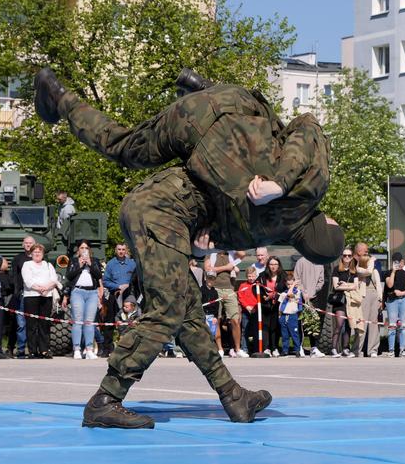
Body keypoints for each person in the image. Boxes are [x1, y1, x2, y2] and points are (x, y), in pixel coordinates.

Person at [35, 67, 344, 429]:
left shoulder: (310, 188)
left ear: (325, 226)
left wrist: (279, 181)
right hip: (164, 199)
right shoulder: (254, 233)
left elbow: (306, 125)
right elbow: (211, 237)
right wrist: (206, 245)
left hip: (220, 107)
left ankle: (232, 395)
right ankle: (107, 398)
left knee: (184, 310)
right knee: (170, 311)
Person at [63, 240, 104, 360]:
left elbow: (99, 276)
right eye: (82, 248)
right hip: (78, 292)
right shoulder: (74, 261)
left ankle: (89, 349)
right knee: (78, 320)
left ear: (89, 250)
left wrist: (90, 264)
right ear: (78, 250)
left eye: (86, 248)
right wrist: (80, 266)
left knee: (89, 322)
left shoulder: (95, 261)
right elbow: (69, 276)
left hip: (92, 293)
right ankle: (76, 349)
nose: (84, 250)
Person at [205, 250, 247, 358]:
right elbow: (208, 268)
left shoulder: (231, 253)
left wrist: (231, 245)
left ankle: (238, 349)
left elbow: (243, 254)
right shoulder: (212, 254)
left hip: (229, 290)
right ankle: (220, 349)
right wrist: (227, 267)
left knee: (235, 319)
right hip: (216, 289)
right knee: (216, 319)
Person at [21, 244, 61, 359]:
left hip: (46, 296)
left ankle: (44, 349)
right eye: (35, 252)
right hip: (31, 296)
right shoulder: (27, 265)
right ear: (31, 253)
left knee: (44, 324)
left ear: (43, 254)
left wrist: (46, 288)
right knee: (32, 324)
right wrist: (39, 288)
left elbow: (54, 280)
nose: (37, 254)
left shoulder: (48, 265)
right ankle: (32, 350)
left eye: (39, 252)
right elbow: (28, 280)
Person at [102, 243, 137, 357]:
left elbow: (137, 279)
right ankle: (107, 348)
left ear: (126, 250)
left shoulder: (132, 264)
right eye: (119, 249)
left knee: (131, 322)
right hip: (115, 295)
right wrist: (117, 286)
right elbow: (105, 281)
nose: (121, 251)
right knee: (110, 322)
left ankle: (131, 348)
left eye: (123, 249)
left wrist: (128, 285)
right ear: (115, 250)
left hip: (129, 297)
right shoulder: (111, 264)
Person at [294, 256, 326, 357]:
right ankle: (299, 347)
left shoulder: (320, 263)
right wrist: (304, 292)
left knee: (314, 323)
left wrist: (313, 291)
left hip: (313, 298)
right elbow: (297, 279)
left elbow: (321, 281)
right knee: (300, 323)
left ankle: (314, 348)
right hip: (300, 298)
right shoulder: (301, 261)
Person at [10, 236, 35, 358]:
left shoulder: (38, 257)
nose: (28, 245)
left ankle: (33, 349)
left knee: (33, 323)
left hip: (35, 294)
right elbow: (13, 275)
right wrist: (15, 291)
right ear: (23, 244)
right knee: (21, 323)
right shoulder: (18, 258)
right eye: (26, 243)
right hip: (21, 294)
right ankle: (20, 349)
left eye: (30, 243)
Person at [354, 246, 382, 358]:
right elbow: (368, 271)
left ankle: (373, 349)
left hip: (374, 295)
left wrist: (380, 299)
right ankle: (357, 349)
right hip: (363, 295)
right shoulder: (358, 269)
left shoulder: (374, 269)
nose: (368, 256)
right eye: (366, 256)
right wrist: (372, 261)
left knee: (374, 324)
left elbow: (378, 284)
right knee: (362, 323)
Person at [382, 252, 405, 358]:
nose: (397, 263)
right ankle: (391, 350)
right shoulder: (387, 273)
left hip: (403, 300)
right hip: (392, 301)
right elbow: (389, 284)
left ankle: (402, 350)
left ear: (402, 262)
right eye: (395, 262)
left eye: (398, 261)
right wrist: (393, 271)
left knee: (403, 326)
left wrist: (402, 293)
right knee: (392, 326)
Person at [330, 249, 358, 358]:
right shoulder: (337, 269)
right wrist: (349, 286)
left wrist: (345, 284)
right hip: (340, 300)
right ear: (342, 256)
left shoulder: (353, 271)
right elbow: (336, 286)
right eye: (345, 255)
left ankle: (346, 348)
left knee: (348, 326)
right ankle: (333, 348)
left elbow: (356, 286)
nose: (347, 257)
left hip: (350, 301)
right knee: (339, 324)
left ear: (352, 257)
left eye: (349, 255)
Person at [258, 256, 286, 356]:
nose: (273, 266)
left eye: (275, 264)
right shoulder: (262, 276)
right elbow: (256, 289)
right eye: (271, 264)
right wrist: (264, 296)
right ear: (268, 265)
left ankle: (274, 347)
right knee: (265, 327)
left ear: (279, 265)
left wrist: (275, 295)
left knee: (275, 328)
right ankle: (266, 348)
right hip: (265, 305)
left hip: (277, 306)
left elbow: (285, 290)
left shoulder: (283, 276)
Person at [278, 275, 303, 357]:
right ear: (285, 284)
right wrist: (280, 315)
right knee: (284, 335)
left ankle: (297, 350)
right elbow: (280, 305)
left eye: (291, 284)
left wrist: (293, 286)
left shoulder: (297, 292)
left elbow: (290, 294)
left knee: (294, 334)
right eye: (288, 284)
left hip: (292, 316)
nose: (289, 286)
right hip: (284, 316)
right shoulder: (283, 294)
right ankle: (285, 350)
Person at [237, 267, 259, 355]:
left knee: (256, 330)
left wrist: (254, 307)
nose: (251, 278)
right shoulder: (243, 286)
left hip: (256, 311)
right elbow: (240, 297)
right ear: (246, 276)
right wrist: (247, 307)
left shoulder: (258, 285)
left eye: (253, 276)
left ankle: (256, 349)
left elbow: (259, 298)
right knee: (244, 330)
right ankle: (244, 348)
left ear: (256, 275)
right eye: (249, 276)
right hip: (246, 311)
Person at [201, 272, 220, 342]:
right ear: (206, 278)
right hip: (203, 315)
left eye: (212, 279)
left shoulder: (215, 292)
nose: (210, 281)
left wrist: (215, 316)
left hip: (212, 316)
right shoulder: (201, 290)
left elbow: (217, 305)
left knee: (212, 334)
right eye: (209, 279)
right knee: (203, 333)